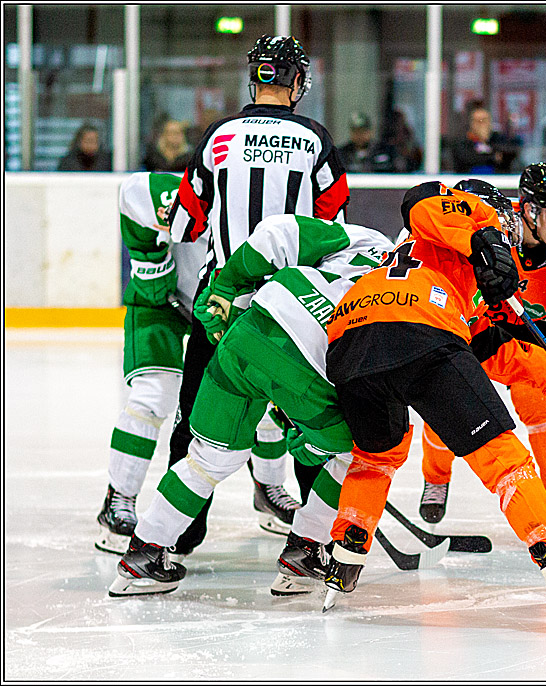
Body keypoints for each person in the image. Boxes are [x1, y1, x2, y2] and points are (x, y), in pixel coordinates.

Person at [321, 180, 546, 632]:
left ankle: (344, 558)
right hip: (419, 327)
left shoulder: (437, 258)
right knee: (505, 459)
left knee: (377, 456)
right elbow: (420, 200)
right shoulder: (464, 223)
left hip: (350, 341)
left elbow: (490, 345)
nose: (510, 233)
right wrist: (486, 233)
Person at [108, 213, 393, 597]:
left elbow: (278, 233)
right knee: (361, 454)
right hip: (313, 362)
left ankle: (143, 555)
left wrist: (225, 288)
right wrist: (311, 439)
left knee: (208, 458)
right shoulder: (431, 288)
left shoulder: (365, 236)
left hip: (252, 329)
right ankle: (305, 551)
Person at [165, 34, 350, 559]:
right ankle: (312, 542)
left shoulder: (218, 135)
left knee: (196, 416)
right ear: (295, 81)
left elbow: (184, 222)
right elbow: (332, 228)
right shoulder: (315, 139)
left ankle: (178, 535)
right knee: (312, 417)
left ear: (256, 80)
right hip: (291, 304)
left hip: (221, 299)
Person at [417, 163, 546, 552]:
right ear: (528, 209)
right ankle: (435, 477)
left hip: (536, 345)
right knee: (448, 401)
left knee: (543, 404)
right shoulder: (491, 226)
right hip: (476, 332)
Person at [95, 171, 206, 554]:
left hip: (217, 312)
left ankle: (269, 489)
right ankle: (119, 500)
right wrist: (151, 260)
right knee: (153, 397)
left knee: (260, 397)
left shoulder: (266, 200)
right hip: (161, 306)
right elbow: (134, 191)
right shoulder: (178, 191)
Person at [451, 101, 520, 174]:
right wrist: (493, 157)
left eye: (485, 120)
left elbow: (509, 152)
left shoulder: (497, 139)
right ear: (471, 123)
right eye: (478, 121)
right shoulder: (463, 143)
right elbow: (466, 158)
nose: (482, 125)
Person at [379, 108, 423, 172]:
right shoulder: (381, 150)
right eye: (394, 125)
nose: (396, 128)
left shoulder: (414, 152)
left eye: (399, 124)